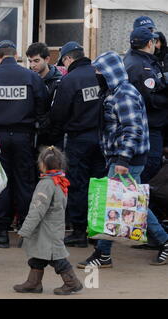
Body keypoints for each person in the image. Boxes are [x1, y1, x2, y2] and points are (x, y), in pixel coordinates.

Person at [77, 50, 168, 268]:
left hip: (126, 160)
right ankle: (161, 242)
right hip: (123, 158)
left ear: (110, 71)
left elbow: (132, 129)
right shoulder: (116, 91)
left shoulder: (123, 94)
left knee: (119, 203)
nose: (97, 73)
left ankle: (103, 254)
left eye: (99, 70)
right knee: (131, 203)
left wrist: (123, 160)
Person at [0, 40, 48, 248]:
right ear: (16, 55)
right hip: (23, 135)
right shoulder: (32, 77)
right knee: (24, 182)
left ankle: (1, 232)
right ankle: (25, 232)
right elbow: (43, 107)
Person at [50, 41, 106, 248]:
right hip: (101, 139)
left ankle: (79, 232)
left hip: (78, 139)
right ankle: (98, 232)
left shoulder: (69, 80)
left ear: (68, 59)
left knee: (79, 186)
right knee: (99, 185)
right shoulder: (100, 75)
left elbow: (58, 114)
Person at [13, 146, 83, 295]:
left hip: (47, 230)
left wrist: (24, 231)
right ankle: (34, 283)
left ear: (43, 165)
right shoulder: (59, 181)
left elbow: (37, 210)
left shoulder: (46, 184)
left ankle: (72, 283)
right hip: (54, 227)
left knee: (56, 258)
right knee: (39, 255)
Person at [124, 27, 168, 184]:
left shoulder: (142, 60)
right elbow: (150, 100)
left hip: (150, 126)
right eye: (154, 41)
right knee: (150, 168)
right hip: (148, 126)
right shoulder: (141, 66)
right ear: (150, 43)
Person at [26, 42, 63, 147]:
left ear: (47, 59)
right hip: (31, 133)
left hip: (51, 135)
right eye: (30, 61)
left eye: (36, 61)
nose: (32, 65)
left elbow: (58, 111)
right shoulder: (28, 78)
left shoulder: (58, 81)